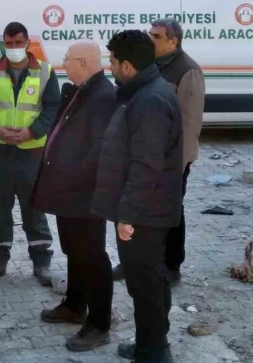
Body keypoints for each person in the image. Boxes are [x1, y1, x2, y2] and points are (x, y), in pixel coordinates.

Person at [91, 30, 183, 363]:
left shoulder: (149, 101)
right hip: (147, 208)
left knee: (145, 287)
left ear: (128, 66)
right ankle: (152, 344)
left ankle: (153, 353)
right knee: (150, 282)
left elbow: (147, 165)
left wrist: (127, 215)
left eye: (113, 62)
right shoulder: (144, 93)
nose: (110, 68)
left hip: (145, 212)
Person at [33, 41, 118, 352]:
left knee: (93, 255)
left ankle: (99, 323)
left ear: (82, 62)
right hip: (69, 191)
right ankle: (74, 305)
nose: (64, 64)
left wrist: (73, 179)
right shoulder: (82, 89)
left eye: (67, 60)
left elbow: (99, 151)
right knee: (74, 249)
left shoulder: (102, 96)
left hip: (85, 193)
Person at [111, 20, 205, 283]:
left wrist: (180, 162)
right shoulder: (150, 65)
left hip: (172, 160)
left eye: (156, 36)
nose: (150, 39)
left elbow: (190, 122)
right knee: (138, 208)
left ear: (173, 41)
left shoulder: (188, 70)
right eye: (150, 34)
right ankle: (132, 261)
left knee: (171, 210)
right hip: (145, 155)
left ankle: (171, 264)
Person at [0, 21, 60, 285]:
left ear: (27, 43)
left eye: (17, 43)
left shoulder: (45, 71)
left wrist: (31, 132)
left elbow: (52, 108)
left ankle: (41, 261)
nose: (13, 48)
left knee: (34, 205)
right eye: (8, 44)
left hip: (31, 151)